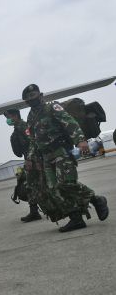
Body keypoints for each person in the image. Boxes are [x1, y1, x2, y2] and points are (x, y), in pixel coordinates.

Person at [23, 84, 109, 232]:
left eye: (34, 95)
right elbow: (33, 139)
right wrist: (30, 158)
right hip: (46, 157)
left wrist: (80, 140)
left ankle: (96, 199)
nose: (32, 98)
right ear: (26, 101)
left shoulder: (52, 108)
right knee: (54, 189)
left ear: (41, 95)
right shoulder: (30, 117)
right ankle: (76, 218)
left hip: (60, 152)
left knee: (66, 183)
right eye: (29, 97)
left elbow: (70, 122)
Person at [4, 109, 42, 222]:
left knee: (35, 184)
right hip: (30, 160)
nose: (7, 120)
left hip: (35, 160)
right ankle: (34, 212)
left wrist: (30, 158)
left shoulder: (23, 126)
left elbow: (32, 141)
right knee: (30, 185)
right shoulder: (17, 129)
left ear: (15, 116)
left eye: (8, 117)